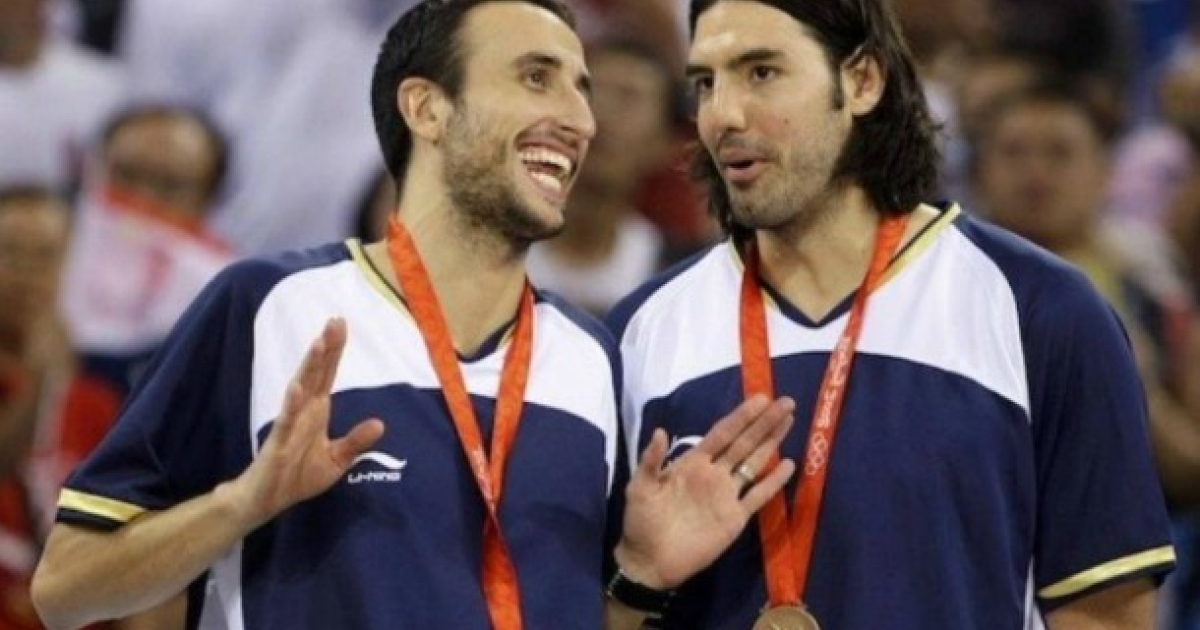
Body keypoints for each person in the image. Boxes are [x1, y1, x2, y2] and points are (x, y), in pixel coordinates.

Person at [28, 1, 798, 629]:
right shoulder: (270, 306)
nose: (579, 119)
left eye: (580, 89)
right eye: (537, 77)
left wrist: (640, 579)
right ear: (427, 108)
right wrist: (241, 503)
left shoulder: (590, 359)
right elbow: (64, 590)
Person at [606, 0, 1177, 628]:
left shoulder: (1041, 312)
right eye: (705, 83)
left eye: (761, 72)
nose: (723, 115)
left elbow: (1107, 615)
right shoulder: (636, 334)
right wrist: (637, 582)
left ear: (862, 80)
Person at [0, 186, 178, 630]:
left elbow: (132, 535)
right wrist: (40, 385)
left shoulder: (97, 403)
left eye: (45, 255)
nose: (27, 273)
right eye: (10, 252)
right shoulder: (44, 384)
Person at [58, 104, 234, 398]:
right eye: (125, 176)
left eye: (169, 185)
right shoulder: (36, 253)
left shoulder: (226, 299)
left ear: (207, 199)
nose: (140, 199)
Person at [526, 37, 678, 316]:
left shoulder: (681, 281)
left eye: (627, 98)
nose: (601, 115)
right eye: (589, 92)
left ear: (664, 143)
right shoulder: (487, 250)